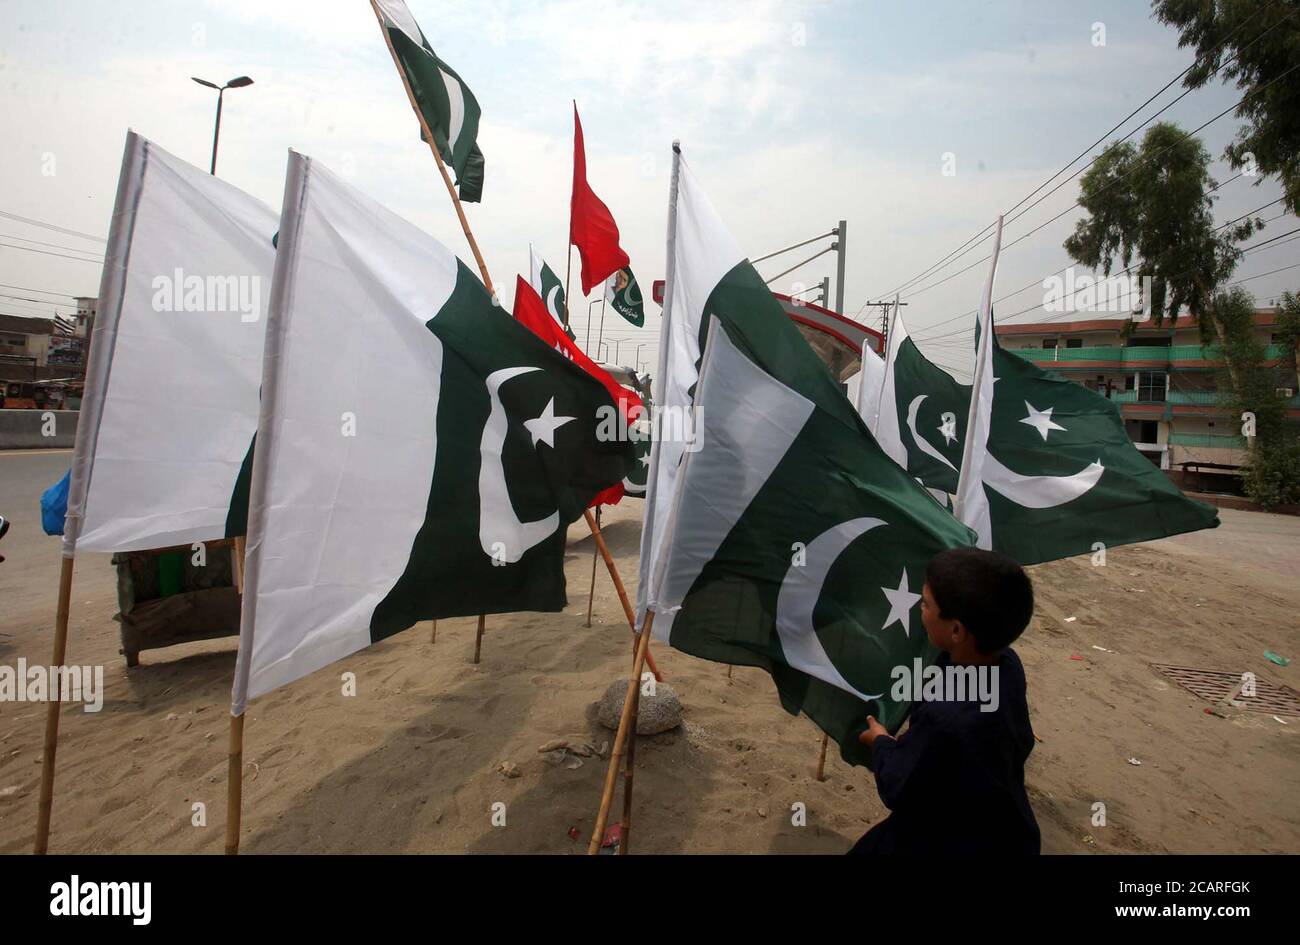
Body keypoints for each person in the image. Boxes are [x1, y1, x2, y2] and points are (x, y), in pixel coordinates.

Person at [850, 547, 1040, 855]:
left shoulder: (945, 720)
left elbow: (900, 785)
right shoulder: (1008, 664)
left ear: (956, 630)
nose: (919, 610)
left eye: (925, 604)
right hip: (1006, 830)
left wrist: (881, 742)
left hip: (944, 837)